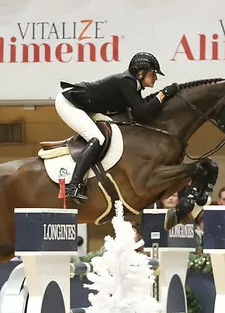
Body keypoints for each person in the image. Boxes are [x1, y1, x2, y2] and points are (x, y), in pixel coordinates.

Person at [56, 52, 178, 203]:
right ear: (140, 73)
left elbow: (141, 112)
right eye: (153, 74)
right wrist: (162, 95)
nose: (156, 78)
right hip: (70, 102)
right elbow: (142, 113)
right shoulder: (127, 82)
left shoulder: (133, 85)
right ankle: (73, 185)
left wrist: (163, 97)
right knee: (97, 138)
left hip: (87, 107)